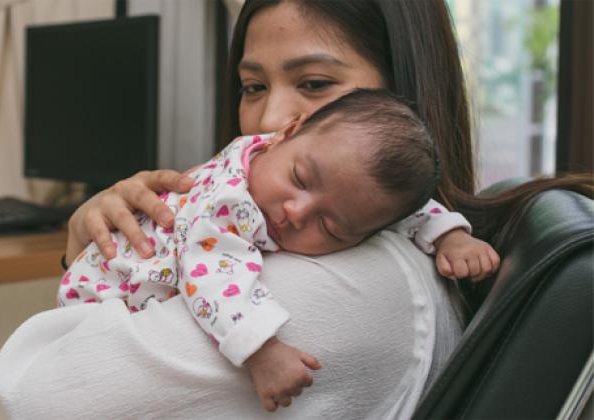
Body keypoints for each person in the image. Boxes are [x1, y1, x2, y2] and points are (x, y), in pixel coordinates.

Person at [0, 1, 591, 417]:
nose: (273, 121)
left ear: (400, 100)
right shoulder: (320, 219)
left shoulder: (341, 283)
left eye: (314, 84)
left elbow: (39, 395)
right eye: (253, 87)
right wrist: (91, 241)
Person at [56, 89, 498, 410]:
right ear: (287, 133)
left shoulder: (308, 168)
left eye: (330, 226)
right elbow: (213, 276)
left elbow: (395, 209)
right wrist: (262, 351)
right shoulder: (229, 204)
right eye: (300, 179)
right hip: (106, 293)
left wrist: (450, 235)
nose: (295, 211)